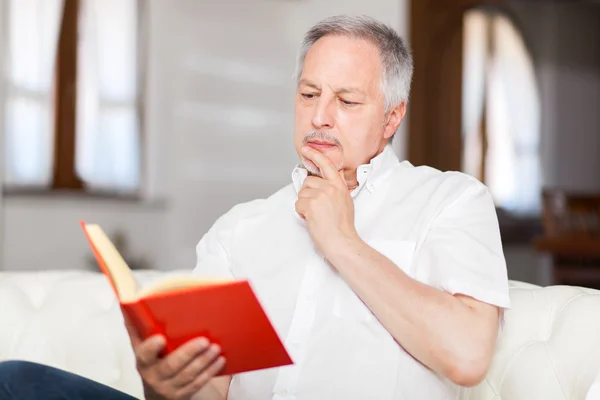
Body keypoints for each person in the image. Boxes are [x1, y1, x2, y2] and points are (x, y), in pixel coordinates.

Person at [0, 14, 510, 400]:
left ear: (392, 118)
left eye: (347, 101)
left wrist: (342, 243)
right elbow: (211, 391)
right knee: (16, 381)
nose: (320, 116)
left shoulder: (451, 201)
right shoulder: (240, 230)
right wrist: (165, 385)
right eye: (309, 93)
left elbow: (467, 355)